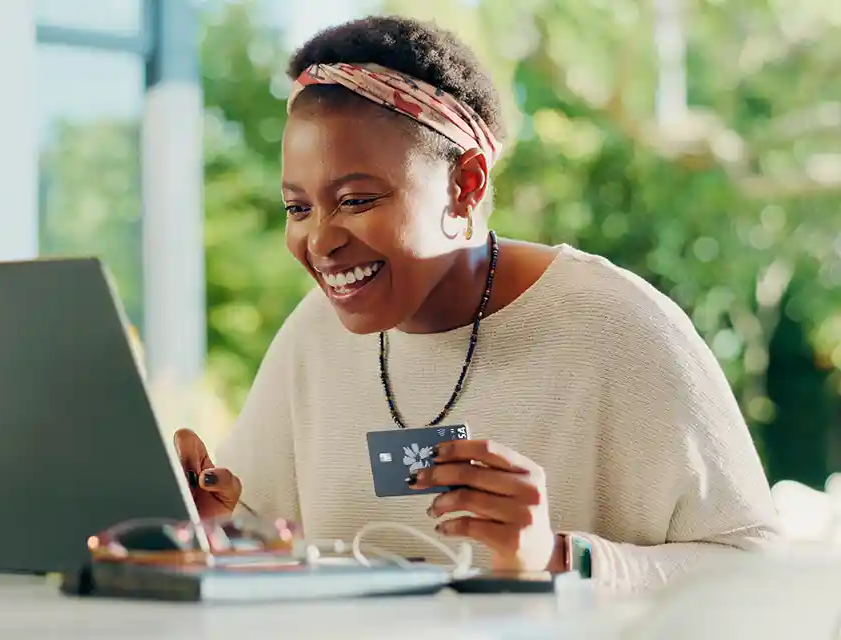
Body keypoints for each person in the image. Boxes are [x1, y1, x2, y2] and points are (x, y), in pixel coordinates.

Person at [175, 15, 780, 593]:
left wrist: (561, 558)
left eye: (357, 200)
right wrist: (213, 530)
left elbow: (755, 571)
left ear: (465, 186)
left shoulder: (620, 328)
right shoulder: (313, 336)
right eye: (298, 208)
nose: (321, 241)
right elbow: (274, 548)